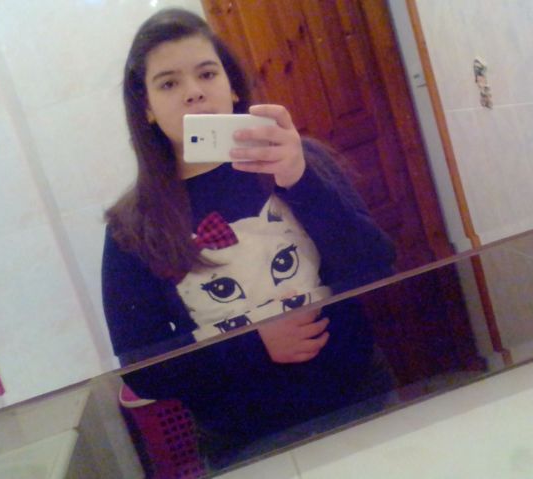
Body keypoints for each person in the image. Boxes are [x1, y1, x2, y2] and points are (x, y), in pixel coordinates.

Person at [101, 8, 397, 470]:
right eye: (169, 83)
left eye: (207, 73)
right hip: (244, 439)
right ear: (147, 109)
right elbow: (142, 369)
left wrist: (301, 181)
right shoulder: (134, 224)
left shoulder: (299, 161)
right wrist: (253, 345)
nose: (194, 91)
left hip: (360, 399)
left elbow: (376, 266)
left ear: (233, 86)